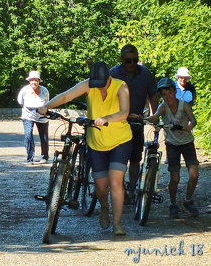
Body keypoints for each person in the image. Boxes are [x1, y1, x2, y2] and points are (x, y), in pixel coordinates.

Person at [37, 61, 132, 236]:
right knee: (101, 186)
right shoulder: (89, 84)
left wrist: (106, 118)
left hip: (120, 140)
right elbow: (66, 96)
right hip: (96, 141)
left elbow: (124, 112)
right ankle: (104, 206)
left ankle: (117, 224)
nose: (98, 87)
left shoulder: (121, 86)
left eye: (101, 84)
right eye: (95, 84)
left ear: (109, 78)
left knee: (116, 182)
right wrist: (47, 106)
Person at [146, 77, 199, 218]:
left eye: (169, 93)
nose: (167, 97)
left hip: (187, 143)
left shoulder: (184, 105)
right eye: (163, 94)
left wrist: (189, 126)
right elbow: (156, 116)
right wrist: (144, 118)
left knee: (194, 174)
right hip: (172, 145)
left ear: (174, 91)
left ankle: (188, 200)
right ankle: (173, 204)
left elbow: (193, 119)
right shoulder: (163, 107)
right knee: (174, 178)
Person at [110, 44, 158, 197]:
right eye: (128, 61)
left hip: (137, 122)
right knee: (119, 159)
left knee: (135, 157)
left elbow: (153, 95)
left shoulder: (145, 73)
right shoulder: (113, 73)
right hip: (117, 123)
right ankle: (120, 188)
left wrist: (155, 116)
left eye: (135, 60)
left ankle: (131, 188)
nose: (131, 64)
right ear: (121, 60)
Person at [17, 70, 49, 164]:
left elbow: (47, 102)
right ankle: (30, 158)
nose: (34, 82)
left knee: (44, 137)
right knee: (28, 135)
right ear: (29, 81)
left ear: (39, 81)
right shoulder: (25, 90)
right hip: (28, 115)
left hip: (42, 116)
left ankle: (44, 157)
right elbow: (20, 102)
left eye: (36, 80)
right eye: (32, 80)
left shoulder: (44, 90)